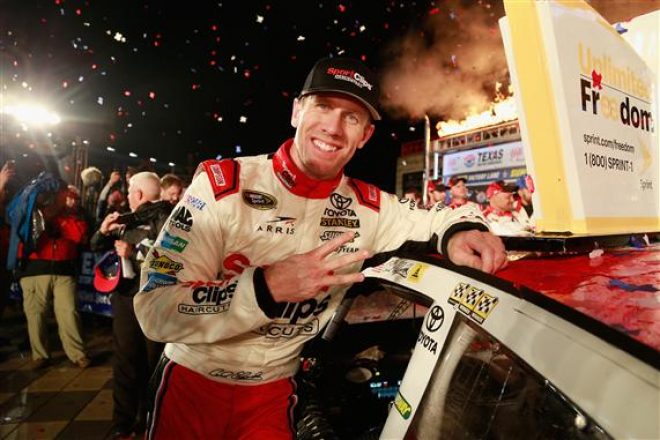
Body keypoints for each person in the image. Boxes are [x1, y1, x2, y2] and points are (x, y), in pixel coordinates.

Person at [134, 56, 507, 439]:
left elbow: (439, 219)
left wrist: (462, 231)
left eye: (352, 117)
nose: (333, 127)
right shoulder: (223, 185)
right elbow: (154, 309)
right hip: (192, 382)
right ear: (297, 112)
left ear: (364, 136)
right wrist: (265, 287)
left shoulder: (369, 208)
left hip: (274, 391)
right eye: (323, 106)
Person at [91, 172, 173, 439]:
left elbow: (173, 257)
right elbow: (93, 245)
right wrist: (103, 231)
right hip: (125, 298)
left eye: (129, 191)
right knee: (125, 360)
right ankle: (123, 422)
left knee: (153, 363)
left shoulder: (166, 216)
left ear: (138, 194)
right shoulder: (126, 219)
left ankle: (152, 418)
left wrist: (135, 253)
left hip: (153, 299)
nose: (127, 196)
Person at [16, 184, 90, 369]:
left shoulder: (73, 217)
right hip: (34, 269)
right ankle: (40, 355)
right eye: (67, 197)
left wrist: (67, 215)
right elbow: (24, 231)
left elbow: (79, 235)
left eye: (74, 198)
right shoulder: (33, 212)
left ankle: (77, 354)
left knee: (69, 312)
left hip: (64, 270)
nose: (70, 201)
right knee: (35, 314)